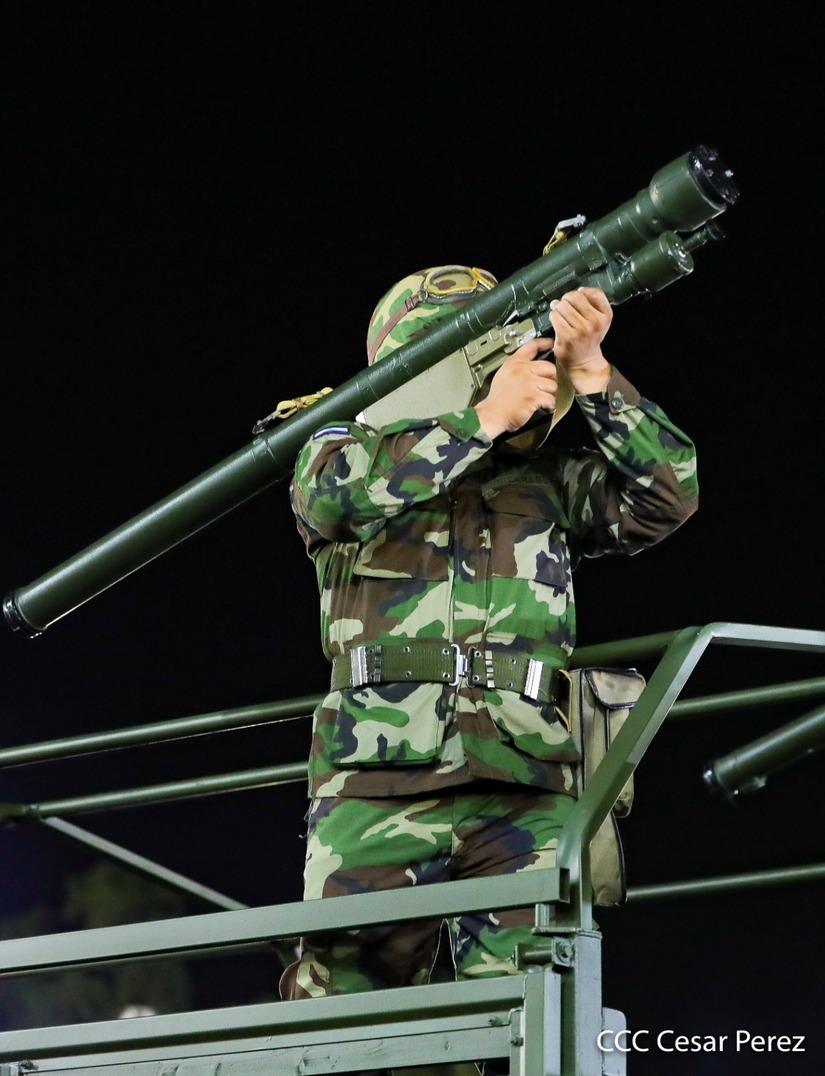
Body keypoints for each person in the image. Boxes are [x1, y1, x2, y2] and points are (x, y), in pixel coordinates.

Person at [279, 265, 698, 1002]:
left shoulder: (543, 481)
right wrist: (484, 419)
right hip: (376, 781)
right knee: (345, 1012)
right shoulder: (341, 447)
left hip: (524, 782)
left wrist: (593, 376)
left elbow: (665, 497)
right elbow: (331, 499)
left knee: (536, 1011)